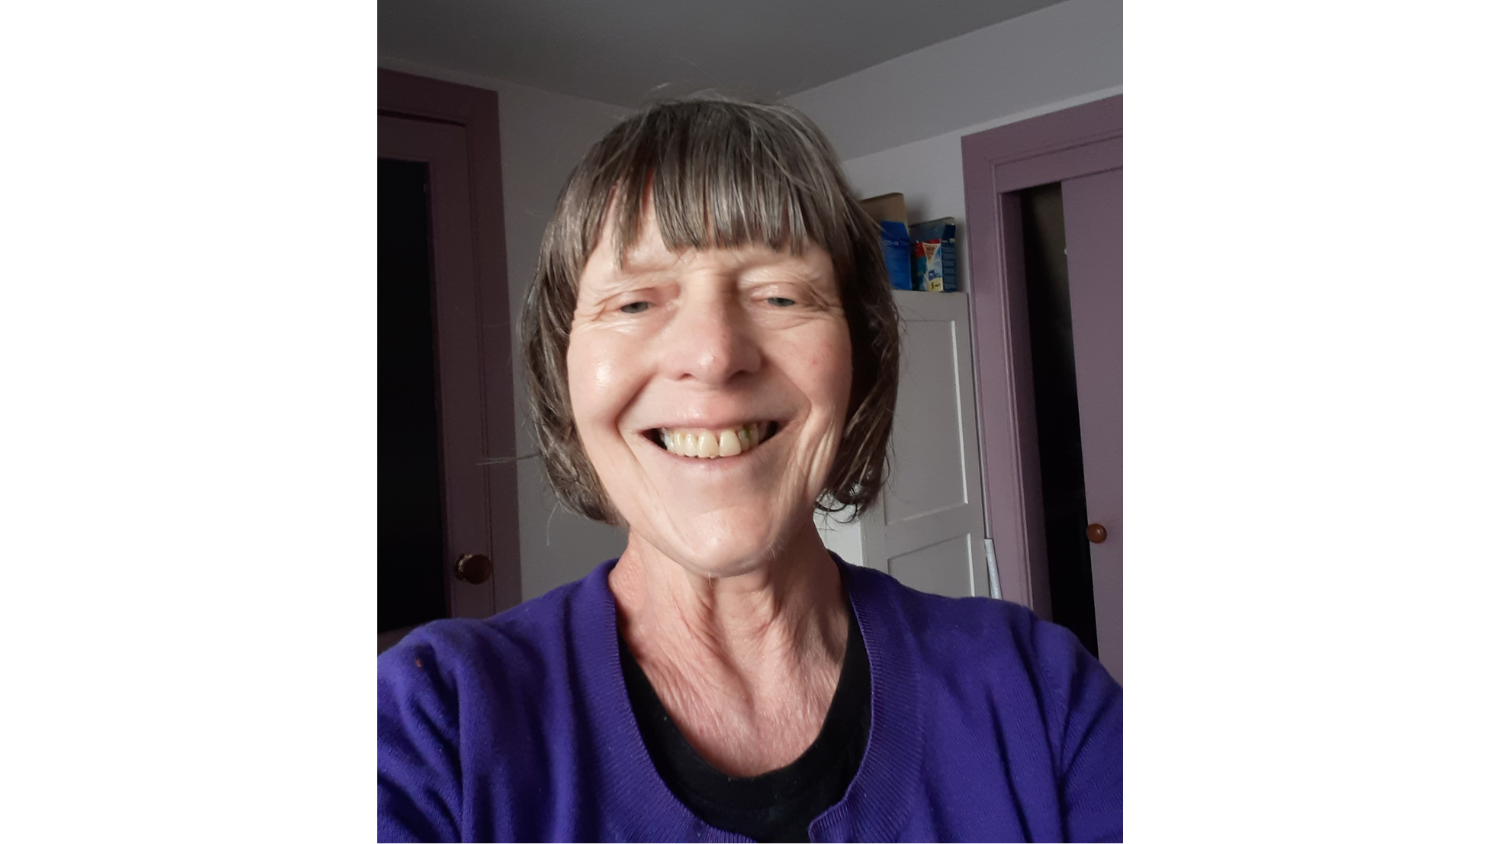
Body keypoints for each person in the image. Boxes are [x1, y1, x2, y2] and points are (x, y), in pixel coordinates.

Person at [377, 98, 1123, 843]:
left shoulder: (1039, 693)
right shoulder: (433, 726)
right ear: (561, 370)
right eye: (635, 301)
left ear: (859, 361)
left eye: (780, 295)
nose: (712, 355)